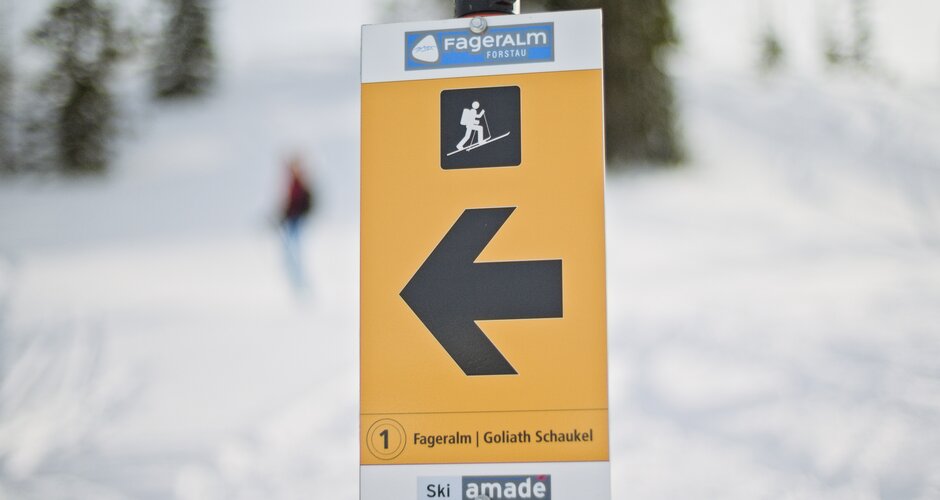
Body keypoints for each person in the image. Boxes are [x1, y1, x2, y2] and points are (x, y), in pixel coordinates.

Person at [280, 156, 314, 292]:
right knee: (290, 246)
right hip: (291, 219)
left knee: (295, 247)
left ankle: (298, 274)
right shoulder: (294, 183)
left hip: (296, 219)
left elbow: (300, 203)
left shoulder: (299, 184)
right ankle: (294, 273)